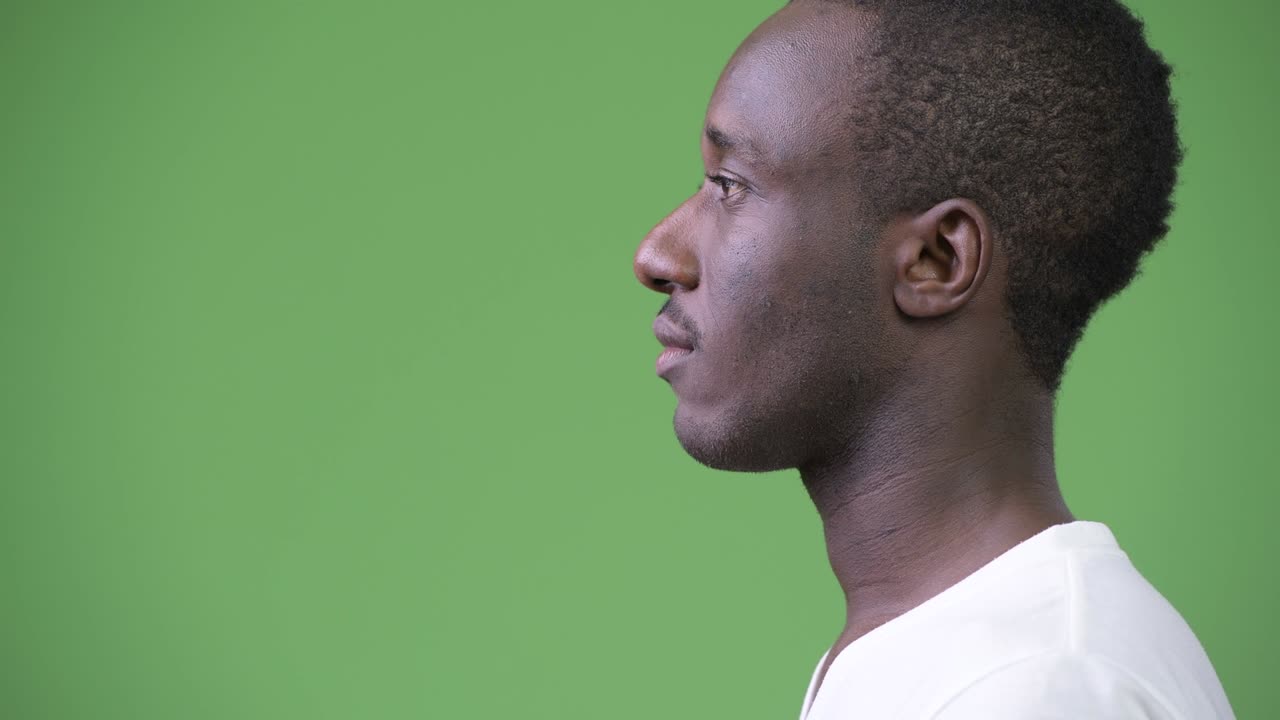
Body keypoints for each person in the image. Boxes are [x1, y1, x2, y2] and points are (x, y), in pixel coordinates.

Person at [631, 1, 1235, 718]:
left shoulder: (1036, 688)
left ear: (934, 261)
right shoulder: (950, 657)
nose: (657, 254)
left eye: (729, 185)